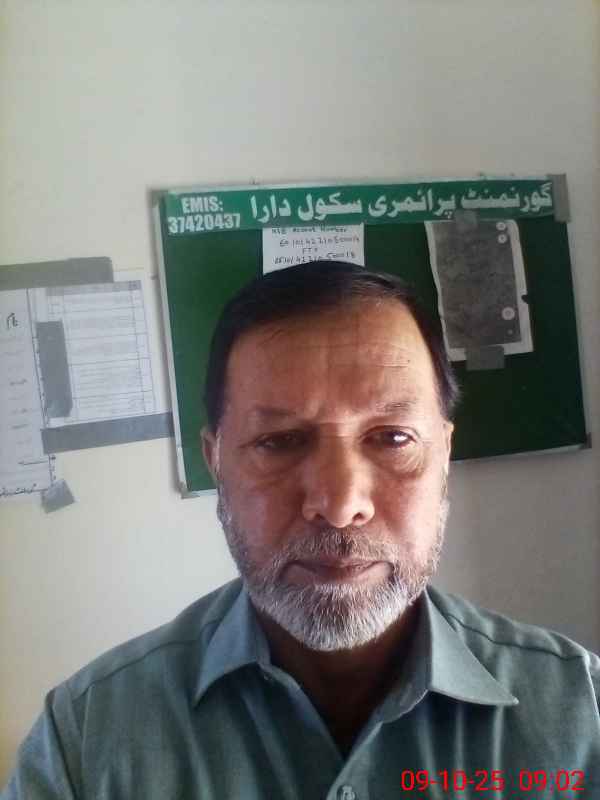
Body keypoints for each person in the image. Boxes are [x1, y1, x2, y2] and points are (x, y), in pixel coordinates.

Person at [2, 260, 599, 799]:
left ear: (443, 454)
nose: (340, 506)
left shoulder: (582, 718)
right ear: (216, 462)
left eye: (392, 438)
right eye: (280, 441)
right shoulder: (86, 742)